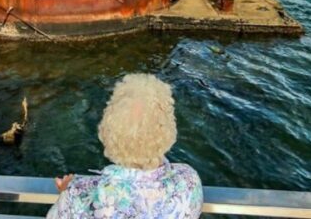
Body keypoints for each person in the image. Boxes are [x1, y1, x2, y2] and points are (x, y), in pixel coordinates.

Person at [47, 74, 204, 218]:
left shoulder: (79, 194)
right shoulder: (189, 181)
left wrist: (65, 194)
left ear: (108, 129)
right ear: (168, 129)